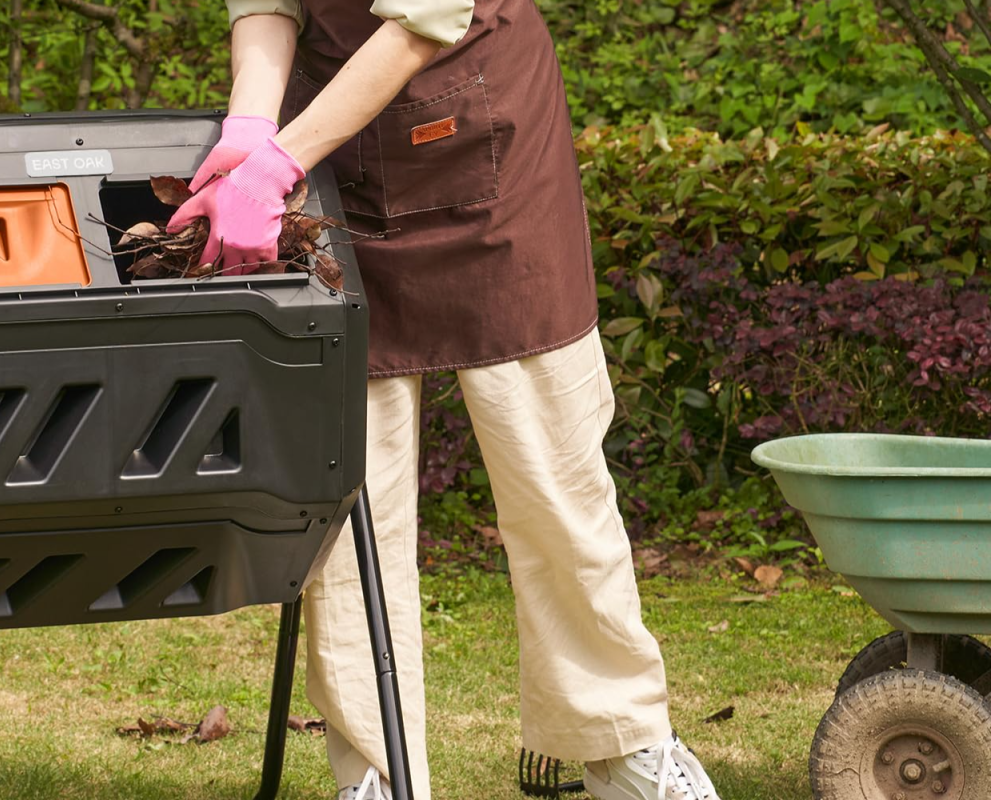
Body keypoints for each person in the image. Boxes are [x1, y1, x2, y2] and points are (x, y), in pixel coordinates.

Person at [166, 3, 722, 800]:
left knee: (554, 479)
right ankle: (378, 770)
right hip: (333, 154)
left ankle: (624, 745)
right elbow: (267, 6)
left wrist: (274, 164)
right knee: (349, 496)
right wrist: (253, 123)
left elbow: (420, 24)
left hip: (485, 135)